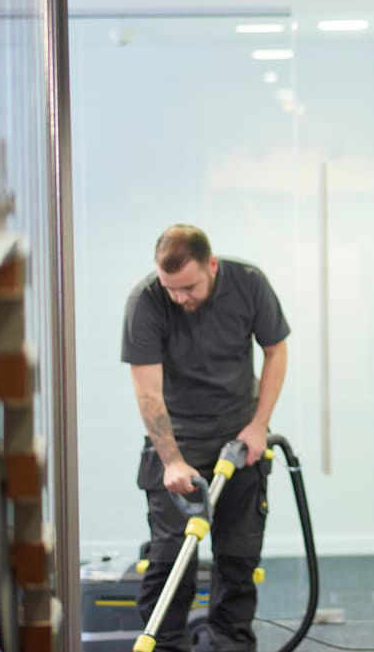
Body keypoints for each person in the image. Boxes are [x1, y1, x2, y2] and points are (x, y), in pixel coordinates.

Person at [121, 224, 290, 652]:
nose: (180, 297)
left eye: (189, 287)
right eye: (171, 288)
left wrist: (259, 425)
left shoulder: (249, 285)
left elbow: (276, 350)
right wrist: (172, 460)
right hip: (176, 443)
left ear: (211, 265)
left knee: (238, 560)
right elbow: (148, 391)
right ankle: (167, 646)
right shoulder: (146, 301)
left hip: (240, 439)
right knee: (169, 562)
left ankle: (230, 645)